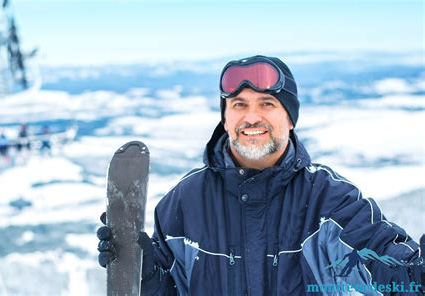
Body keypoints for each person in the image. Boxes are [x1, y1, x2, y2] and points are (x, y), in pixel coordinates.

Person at [97, 55, 424, 295]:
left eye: (267, 104)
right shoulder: (183, 203)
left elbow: (394, 273)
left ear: (291, 119)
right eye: (239, 105)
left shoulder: (331, 201)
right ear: (225, 120)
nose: (252, 117)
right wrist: (145, 274)